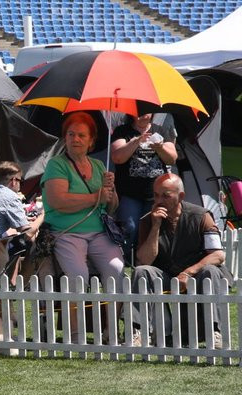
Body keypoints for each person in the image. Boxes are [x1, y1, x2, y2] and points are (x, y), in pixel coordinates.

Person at [131, 173, 230, 346]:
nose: (159, 200)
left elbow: (218, 255)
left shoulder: (201, 216)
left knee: (211, 270)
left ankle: (214, 332)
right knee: (141, 272)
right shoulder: (148, 220)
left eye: (165, 196)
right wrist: (155, 227)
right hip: (167, 275)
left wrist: (188, 272)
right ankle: (139, 331)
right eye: (155, 195)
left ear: (181, 196)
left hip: (197, 274)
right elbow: (145, 260)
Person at [41, 111, 124, 285]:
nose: (75, 139)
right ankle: (76, 313)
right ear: (65, 138)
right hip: (67, 233)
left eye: (81, 135)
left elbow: (111, 208)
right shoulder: (56, 164)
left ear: (91, 141)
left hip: (99, 233)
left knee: (117, 270)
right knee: (78, 277)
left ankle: (112, 313)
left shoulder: (99, 165)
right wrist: (95, 197)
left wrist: (111, 191)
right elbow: (58, 201)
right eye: (70, 134)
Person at [110, 113, 177, 263]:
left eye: (146, 112)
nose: (142, 115)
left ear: (152, 114)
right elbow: (117, 157)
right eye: (138, 112)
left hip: (156, 194)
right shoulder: (123, 131)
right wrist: (137, 141)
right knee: (129, 227)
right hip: (130, 193)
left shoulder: (160, 130)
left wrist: (160, 148)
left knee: (152, 228)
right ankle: (126, 261)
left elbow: (172, 158)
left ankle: (148, 262)